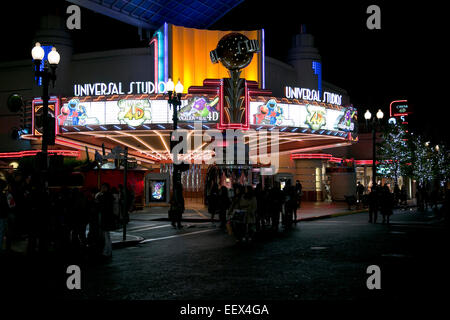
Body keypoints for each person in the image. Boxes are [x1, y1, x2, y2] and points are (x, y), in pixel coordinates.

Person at [95, 183, 114, 260]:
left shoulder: (105, 196)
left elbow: (101, 206)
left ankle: (106, 252)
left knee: (106, 236)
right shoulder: (107, 196)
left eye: (103, 187)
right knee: (107, 235)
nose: (102, 189)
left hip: (105, 217)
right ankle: (108, 251)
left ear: (106, 188)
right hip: (107, 217)